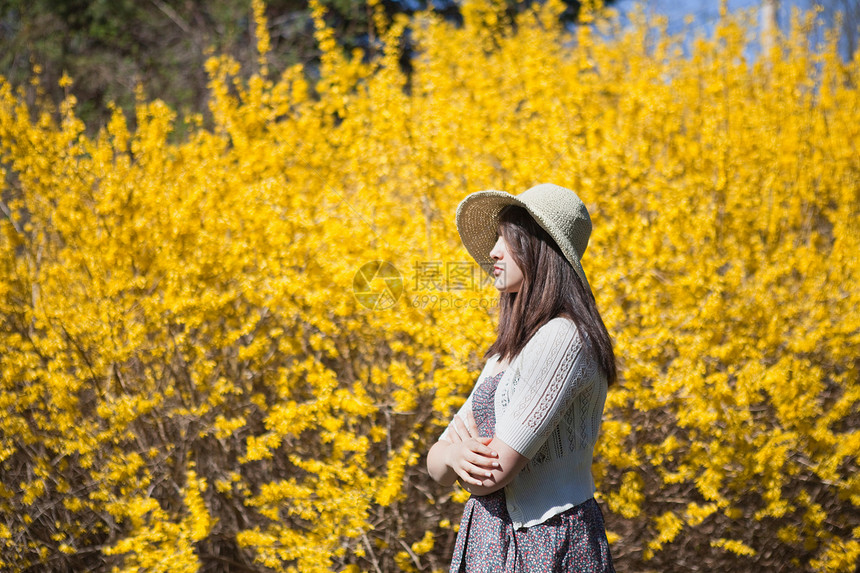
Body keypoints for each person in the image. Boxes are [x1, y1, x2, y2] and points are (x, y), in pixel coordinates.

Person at [426, 183, 617, 572]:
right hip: (489, 538)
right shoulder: (507, 351)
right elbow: (436, 461)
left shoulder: (563, 339)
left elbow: (490, 476)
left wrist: (461, 457)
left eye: (507, 240)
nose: (493, 251)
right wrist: (457, 453)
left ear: (539, 248)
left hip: (546, 541)